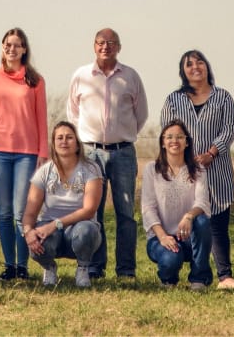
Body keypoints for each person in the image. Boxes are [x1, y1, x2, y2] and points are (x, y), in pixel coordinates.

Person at [66, 28, 148, 279]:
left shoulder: (131, 76)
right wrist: (87, 139)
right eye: (101, 42)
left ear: (119, 47)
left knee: (126, 213)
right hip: (91, 154)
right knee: (92, 212)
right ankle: (94, 268)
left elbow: (141, 114)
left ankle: (126, 270)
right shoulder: (81, 76)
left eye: (111, 43)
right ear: (94, 46)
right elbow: (73, 113)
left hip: (123, 152)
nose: (106, 47)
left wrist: (121, 133)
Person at [160, 50, 234, 290]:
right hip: (183, 172)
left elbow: (229, 129)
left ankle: (225, 276)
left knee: (217, 223)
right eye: (189, 64)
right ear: (183, 71)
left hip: (216, 169)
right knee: (188, 223)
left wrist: (211, 152)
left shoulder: (223, 98)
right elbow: (168, 133)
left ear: (207, 66)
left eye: (199, 62)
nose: (195, 67)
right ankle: (186, 274)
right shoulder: (174, 100)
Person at [0, 27, 48, 281]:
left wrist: (43, 153)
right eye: (7, 44)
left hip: (27, 154)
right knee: (4, 212)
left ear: (24, 49)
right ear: (2, 48)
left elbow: (42, 120)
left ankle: (23, 266)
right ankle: (9, 266)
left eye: (16, 45)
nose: (11, 48)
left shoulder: (35, 81)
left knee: (22, 212)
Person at [23, 121, 103, 288]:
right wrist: (28, 231)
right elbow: (30, 213)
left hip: (79, 228)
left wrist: (55, 224)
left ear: (77, 143)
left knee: (86, 231)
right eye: (59, 138)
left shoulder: (91, 169)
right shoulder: (44, 172)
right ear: (53, 143)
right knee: (36, 239)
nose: (64, 141)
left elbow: (89, 210)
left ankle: (83, 268)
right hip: (50, 232)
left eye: (69, 137)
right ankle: (49, 267)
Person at [140, 120, 213, 290]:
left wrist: (189, 216)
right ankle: (168, 279)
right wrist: (163, 236)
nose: (175, 141)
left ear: (187, 142)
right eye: (170, 137)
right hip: (160, 238)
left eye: (180, 137)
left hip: (188, 238)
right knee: (171, 259)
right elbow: (148, 208)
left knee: (202, 221)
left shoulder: (198, 169)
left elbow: (202, 202)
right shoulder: (152, 169)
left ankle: (199, 279)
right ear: (163, 143)